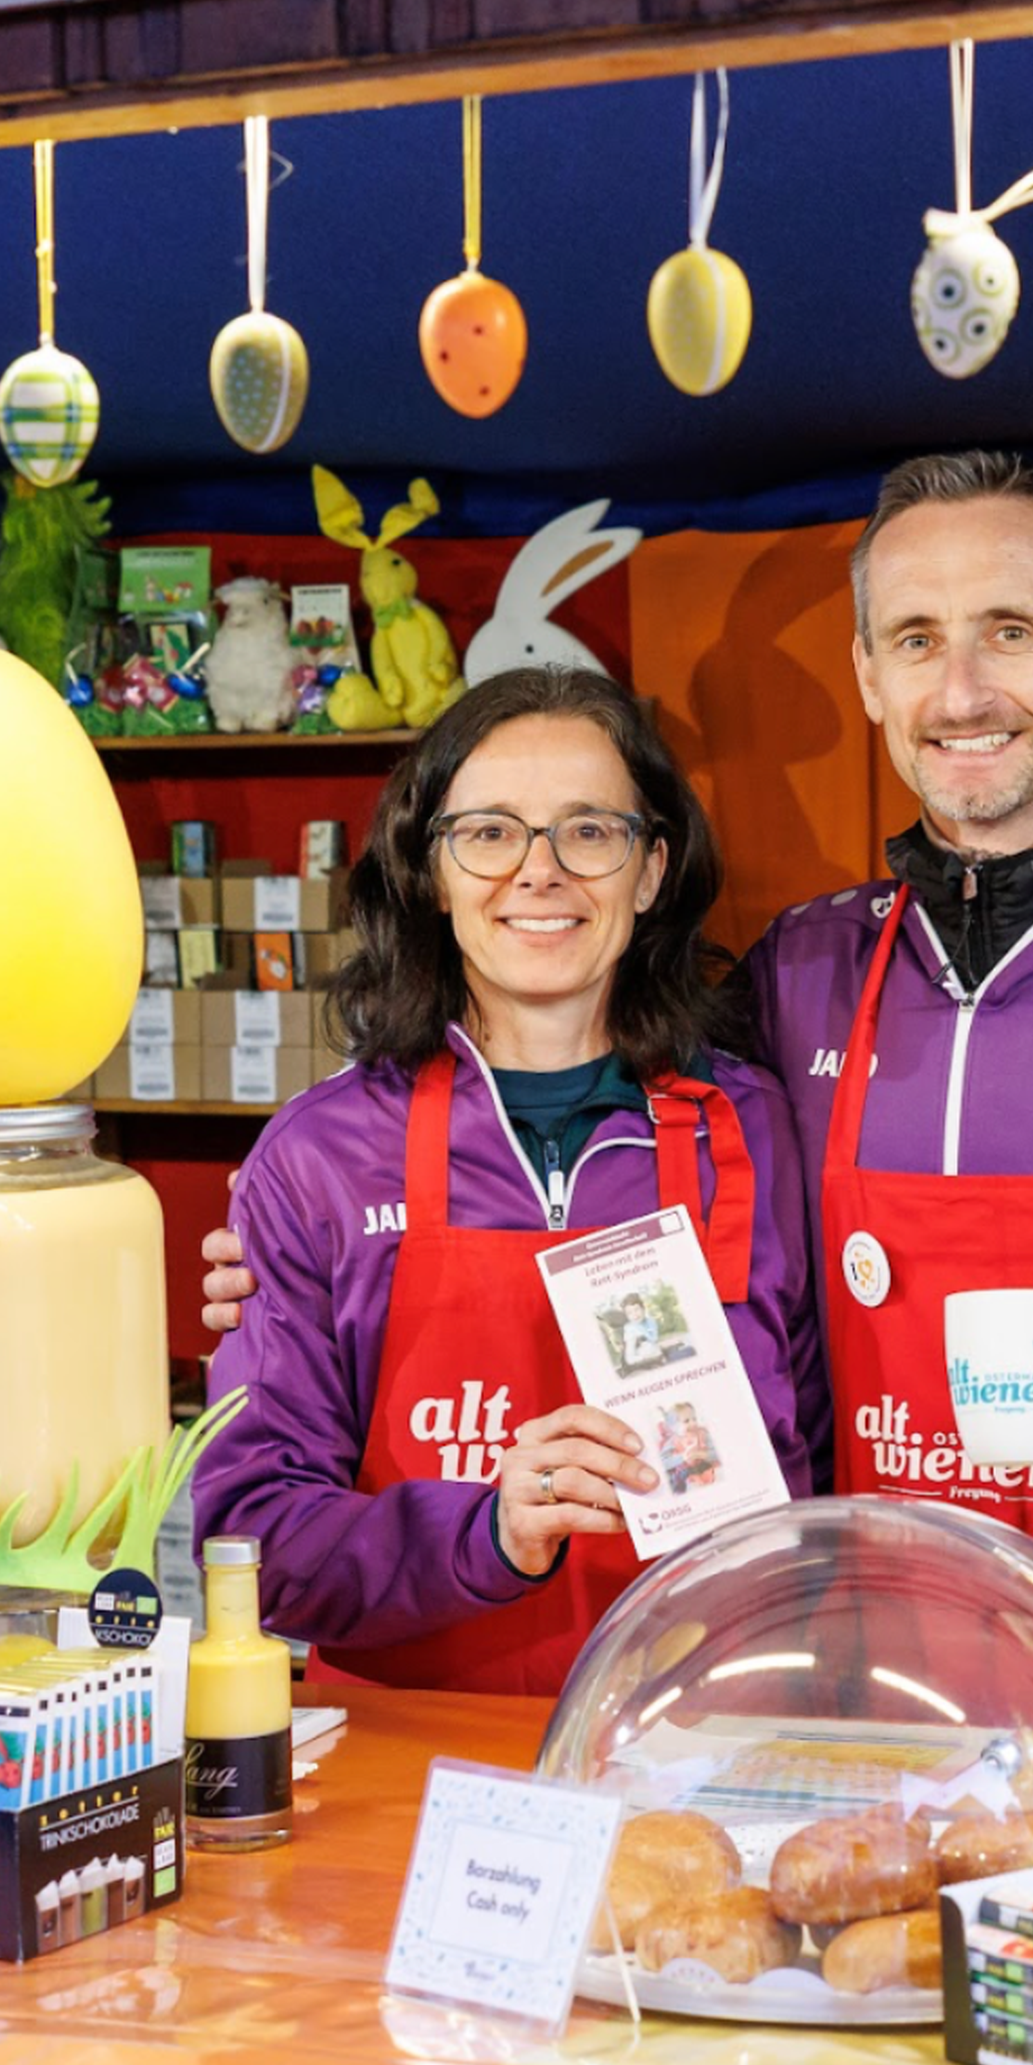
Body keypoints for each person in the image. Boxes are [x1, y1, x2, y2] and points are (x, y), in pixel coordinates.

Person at [210, 452, 1033, 1658]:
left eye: (1012, 629)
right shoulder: (802, 975)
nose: (964, 688)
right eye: (917, 640)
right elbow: (560, 1085)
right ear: (870, 675)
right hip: (869, 1682)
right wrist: (292, 1244)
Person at [191, 665, 824, 1691]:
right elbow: (249, 1543)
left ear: (651, 870)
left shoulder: (753, 1127)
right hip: (413, 1772)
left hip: (704, 1748)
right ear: (430, 873)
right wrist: (485, 1531)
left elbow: (823, 1472)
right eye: (488, 832)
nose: (540, 872)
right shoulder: (318, 1159)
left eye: (589, 831)